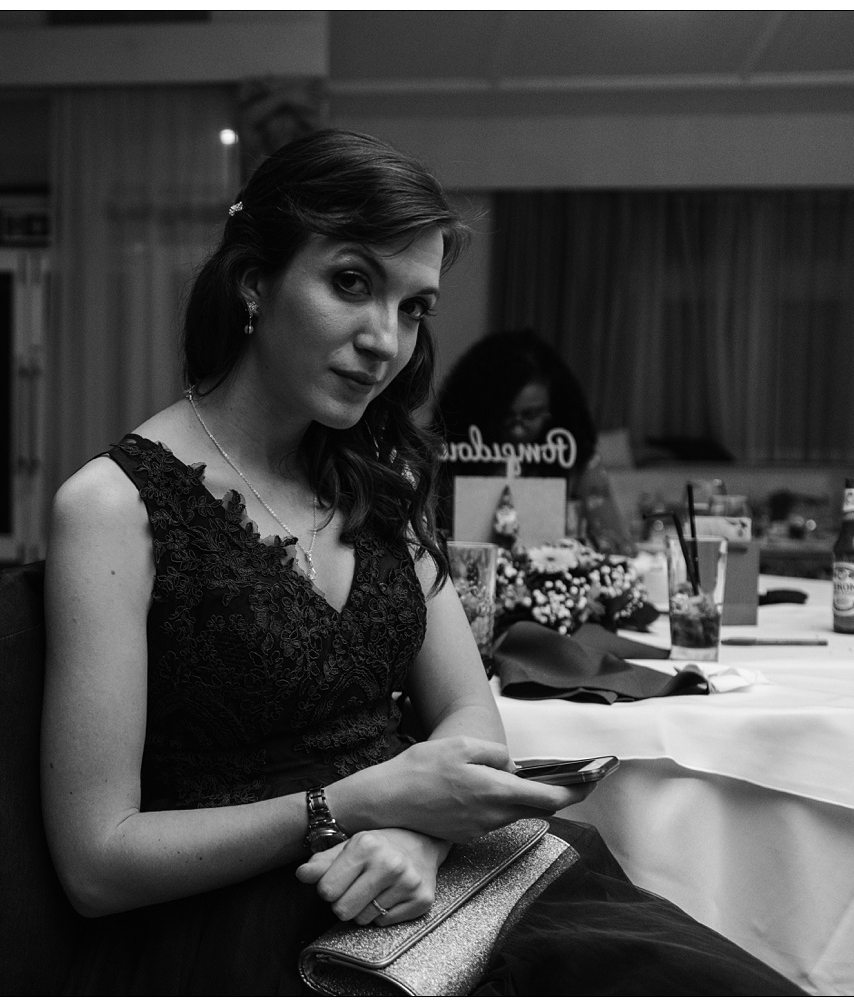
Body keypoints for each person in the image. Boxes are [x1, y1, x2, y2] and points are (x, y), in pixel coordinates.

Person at [40, 129, 801, 995]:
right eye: (352, 283)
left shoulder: (373, 478)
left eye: (414, 308)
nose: (385, 340)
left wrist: (422, 831)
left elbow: (471, 711)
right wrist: (363, 805)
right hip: (253, 924)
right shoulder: (112, 505)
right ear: (256, 281)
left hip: (445, 880)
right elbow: (96, 864)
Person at [437, 329, 636, 555]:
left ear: (556, 409)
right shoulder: (447, 457)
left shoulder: (577, 459)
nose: (518, 428)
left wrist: (578, 548)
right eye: (504, 415)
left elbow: (618, 543)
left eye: (531, 415)